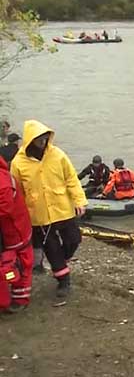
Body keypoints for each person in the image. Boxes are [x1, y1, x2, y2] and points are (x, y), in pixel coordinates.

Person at [10, 120, 87, 300]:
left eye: (45, 138)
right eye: (39, 139)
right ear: (31, 140)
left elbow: (71, 178)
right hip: (39, 214)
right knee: (51, 247)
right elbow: (17, 191)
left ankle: (63, 260)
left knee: (74, 239)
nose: (43, 142)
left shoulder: (57, 155)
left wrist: (79, 200)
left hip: (63, 208)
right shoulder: (18, 163)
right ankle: (63, 280)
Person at [0, 154, 34, 313]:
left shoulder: (3, 183)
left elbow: (4, 208)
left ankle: (20, 299)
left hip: (15, 231)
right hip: (8, 231)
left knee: (20, 265)